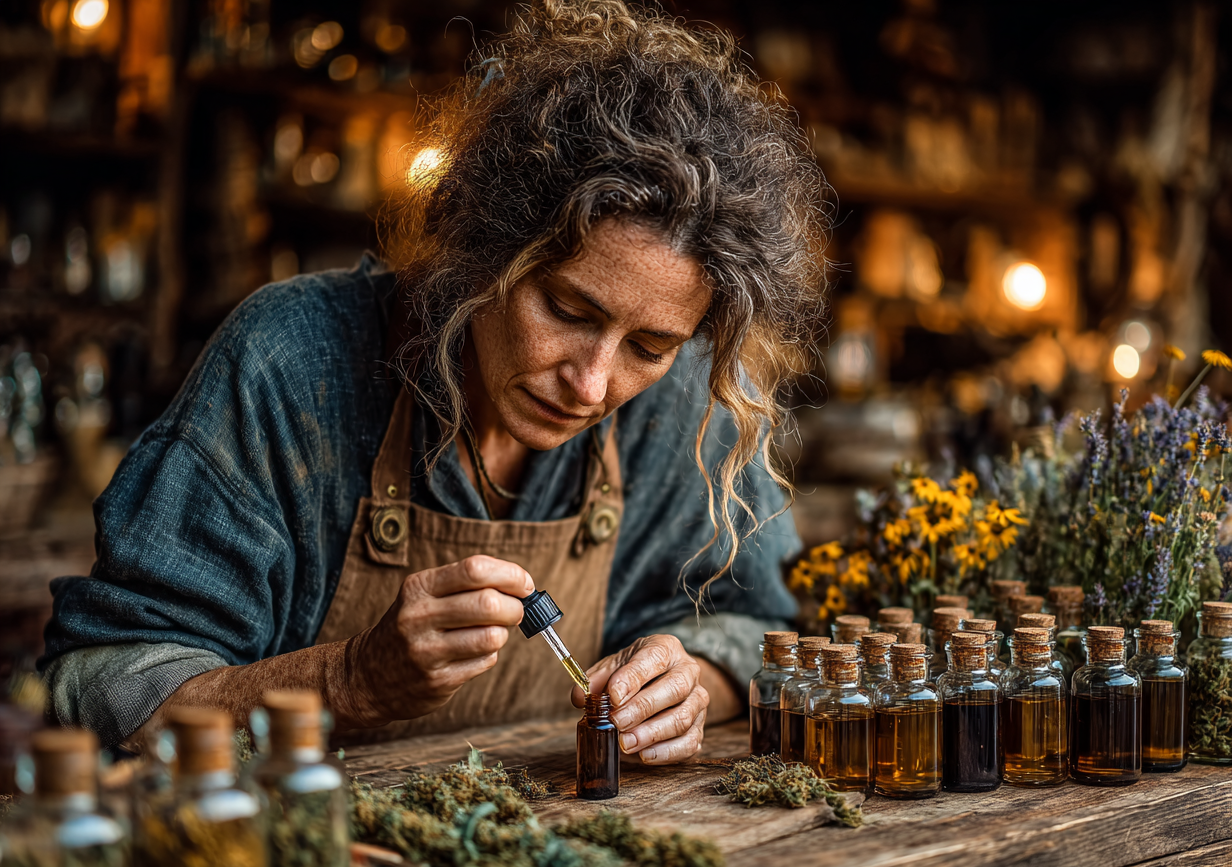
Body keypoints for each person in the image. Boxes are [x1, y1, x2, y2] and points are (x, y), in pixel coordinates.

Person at [41, 0, 829, 761]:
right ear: (481, 248)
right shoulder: (291, 362)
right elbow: (100, 682)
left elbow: (767, 625)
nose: (592, 383)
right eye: (565, 308)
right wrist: (347, 680)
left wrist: (699, 680)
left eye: (648, 346)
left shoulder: (681, 397)